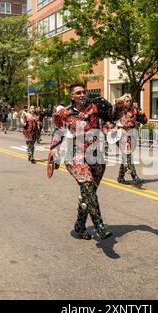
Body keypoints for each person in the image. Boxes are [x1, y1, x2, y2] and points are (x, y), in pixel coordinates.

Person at [48, 83, 115, 240]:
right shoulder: (64, 113)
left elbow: (112, 117)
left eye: (84, 92)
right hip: (75, 157)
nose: (82, 94)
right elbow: (58, 132)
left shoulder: (95, 107)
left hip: (96, 157)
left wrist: (111, 106)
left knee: (88, 193)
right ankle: (99, 225)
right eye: (78, 92)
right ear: (72, 96)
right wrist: (54, 148)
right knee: (88, 187)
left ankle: (79, 225)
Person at [114, 93, 147, 184]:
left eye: (129, 101)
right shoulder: (118, 109)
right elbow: (111, 116)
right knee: (128, 155)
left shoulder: (134, 110)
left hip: (131, 134)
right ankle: (135, 177)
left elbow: (144, 121)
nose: (128, 102)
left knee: (126, 156)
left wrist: (143, 115)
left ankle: (120, 177)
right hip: (120, 134)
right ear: (122, 101)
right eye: (126, 100)